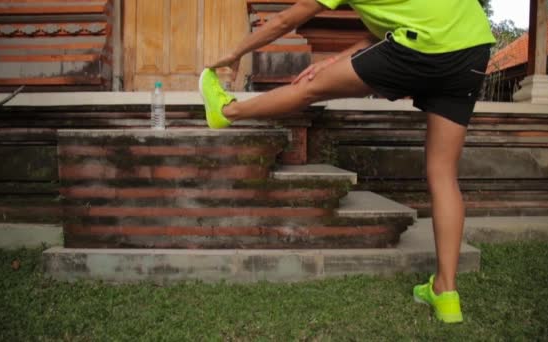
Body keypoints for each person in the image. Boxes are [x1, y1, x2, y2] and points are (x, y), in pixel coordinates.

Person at [199, 0, 495, 324]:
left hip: (422, 44)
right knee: (443, 173)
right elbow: (385, 34)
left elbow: (285, 19)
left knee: (310, 89)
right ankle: (446, 293)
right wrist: (336, 60)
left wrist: (235, 53)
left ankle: (227, 112)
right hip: (472, 46)